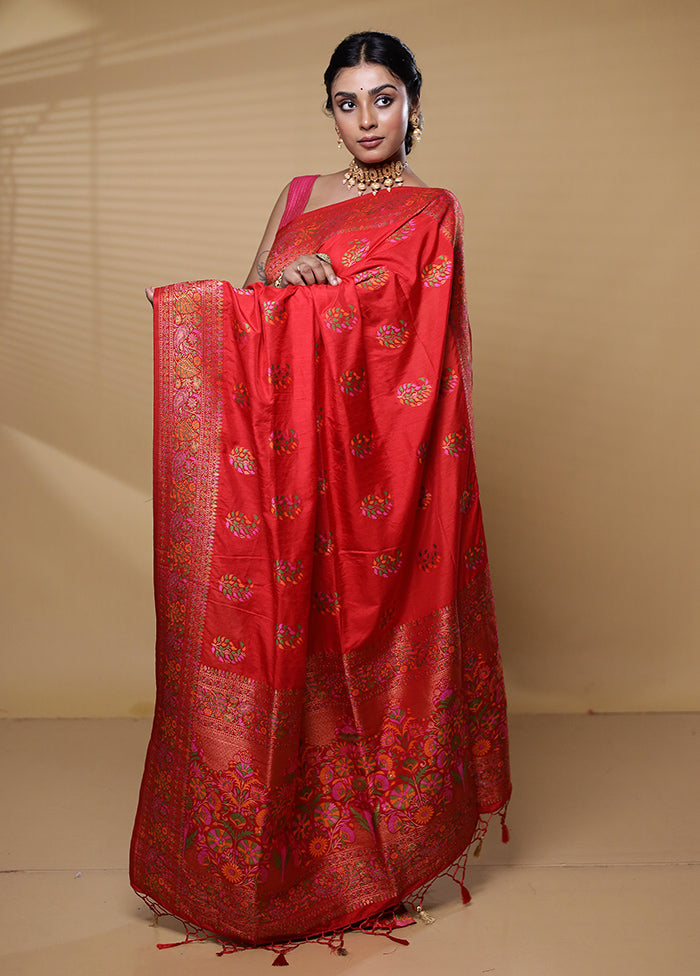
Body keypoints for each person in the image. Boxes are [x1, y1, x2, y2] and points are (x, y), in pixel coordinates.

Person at [132, 31, 511, 961]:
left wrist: (326, 299)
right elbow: (252, 300)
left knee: (362, 639)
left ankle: (380, 865)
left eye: (384, 98)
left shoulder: (431, 212)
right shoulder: (299, 197)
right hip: (285, 461)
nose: (367, 119)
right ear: (330, 112)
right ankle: (268, 867)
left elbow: (408, 339)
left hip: (376, 478)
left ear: (415, 101)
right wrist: (287, 287)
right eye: (348, 103)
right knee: (274, 637)